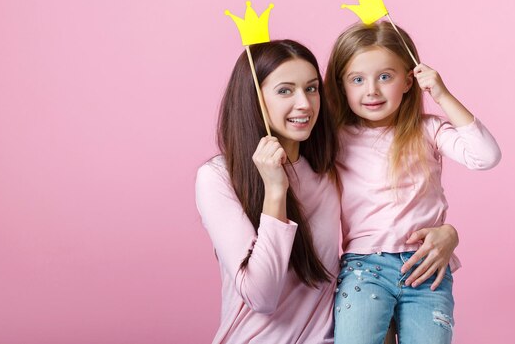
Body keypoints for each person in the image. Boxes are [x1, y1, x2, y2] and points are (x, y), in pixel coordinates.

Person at [196, 39, 460, 344]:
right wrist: (275, 191)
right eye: (285, 91)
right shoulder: (217, 178)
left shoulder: (329, 168)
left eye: (311, 88)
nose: (304, 104)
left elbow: (388, 221)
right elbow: (262, 296)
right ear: (253, 98)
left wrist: (448, 233)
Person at [325, 21, 501, 344]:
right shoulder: (336, 140)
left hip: (427, 267)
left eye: (385, 77)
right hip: (365, 268)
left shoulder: (429, 130)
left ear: (409, 80)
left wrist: (442, 94)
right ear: (342, 86)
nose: (372, 90)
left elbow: (486, 156)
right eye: (357, 79)